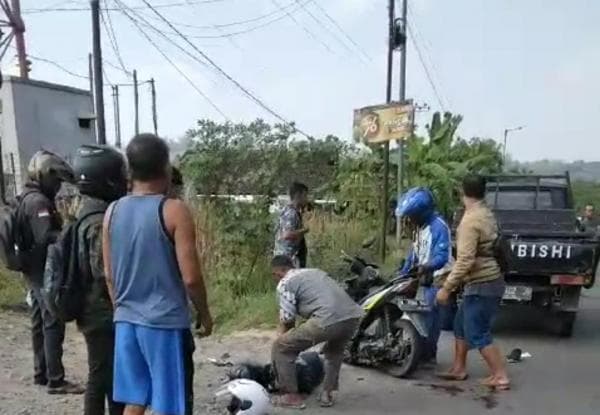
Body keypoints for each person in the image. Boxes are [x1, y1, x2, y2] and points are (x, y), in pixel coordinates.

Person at [102, 133, 213, 415]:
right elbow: (191, 277)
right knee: (169, 404)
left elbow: (109, 274)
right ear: (165, 167)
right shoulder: (174, 210)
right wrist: (204, 313)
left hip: (126, 321)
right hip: (163, 324)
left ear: (130, 170)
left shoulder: (112, 212)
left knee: (135, 399)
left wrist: (123, 309)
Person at [436, 174, 510, 390]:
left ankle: (500, 375)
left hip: (483, 283)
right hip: (486, 281)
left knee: (477, 331)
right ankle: (459, 368)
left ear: (462, 191)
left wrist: (447, 288)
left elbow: (465, 259)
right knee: (460, 325)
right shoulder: (486, 213)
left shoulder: (470, 221)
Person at [19, 150, 83, 394]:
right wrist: (69, 231)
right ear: (44, 175)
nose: (57, 186)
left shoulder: (28, 196)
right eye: (55, 181)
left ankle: (41, 372)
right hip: (41, 270)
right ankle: (55, 379)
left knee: (39, 320)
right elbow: (46, 236)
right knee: (52, 321)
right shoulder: (38, 202)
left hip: (31, 269)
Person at [73, 144, 128, 415]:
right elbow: (103, 270)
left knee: (108, 375)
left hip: (93, 311)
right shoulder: (97, 219)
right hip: (101, 313)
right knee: (102, 376)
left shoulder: (85, 209)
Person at [270, 255, 363, 409]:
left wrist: (283, 338)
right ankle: (327, 394)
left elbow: (287, 319)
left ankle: (290, 396)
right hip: (352, 316)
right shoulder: (316, 272)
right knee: (334, 352)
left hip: (326, 319)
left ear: (277, 273)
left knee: (281, 347)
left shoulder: (285, 283)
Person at [396, 187, 454, 366]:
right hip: (425, 276)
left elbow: (441, 257)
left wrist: (424, 267)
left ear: (422, 213)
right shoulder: (420, 228)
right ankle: (418, 351)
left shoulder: (438, 226)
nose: (409, 219)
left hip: (439, 277)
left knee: (430, 317)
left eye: (412, 215)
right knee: (416, 314)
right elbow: (414, 253)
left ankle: (429, 354)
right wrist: (403, 273)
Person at [274, 182, 309, 268]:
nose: (306, 199)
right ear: (298, 195)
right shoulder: (291, 213)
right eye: (305, 196)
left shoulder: (287, 210)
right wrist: (305, 230)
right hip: (288, 259)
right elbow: (287, 235)